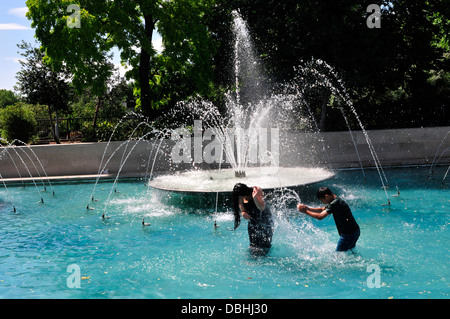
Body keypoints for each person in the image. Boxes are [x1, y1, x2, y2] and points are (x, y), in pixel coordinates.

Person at [297, 187, 360, 252]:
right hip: (354, 231)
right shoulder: (335, 199)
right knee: (349, 251)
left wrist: (305, 211)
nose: (324, 203)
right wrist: (307, 208)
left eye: (322, 201)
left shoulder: (334, 203)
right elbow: (322, 209)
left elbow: (320, 216)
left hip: (348, 234)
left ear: (326, 196)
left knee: (338, 255)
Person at [232, 183, 273, 255]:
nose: (240, 198)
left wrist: (255, 198)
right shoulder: (240, 196)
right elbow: (241, 206)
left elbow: (262, 208)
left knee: (265, 246)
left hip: (265, 221)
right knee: (253, 246)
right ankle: (254, 263)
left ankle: (265, 262)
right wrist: (243, 212)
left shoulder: (257, 190)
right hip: (253, 222)